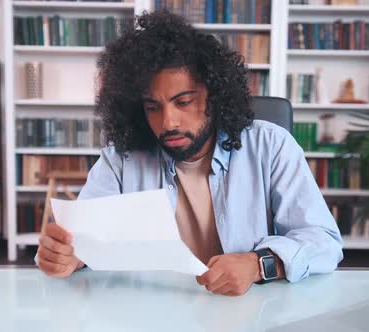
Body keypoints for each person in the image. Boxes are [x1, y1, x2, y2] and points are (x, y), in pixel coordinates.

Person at [36, 10, 343, 297]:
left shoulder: (271, 146)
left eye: (183, 102)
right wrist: (68, 256)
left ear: (215, 95)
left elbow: (323, 241)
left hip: (250, 312)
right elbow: (82, 241)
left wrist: (257, 264)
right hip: (150, 312)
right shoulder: (120, 159)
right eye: (152, 107)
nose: (168, 122)